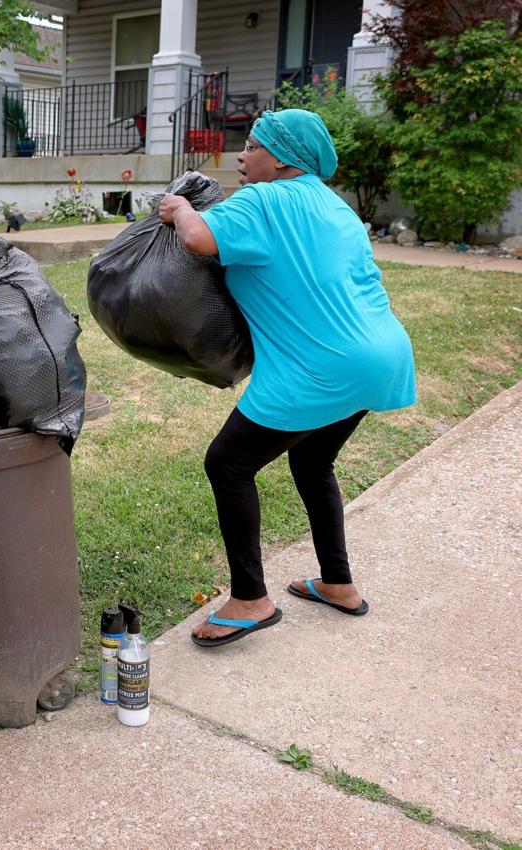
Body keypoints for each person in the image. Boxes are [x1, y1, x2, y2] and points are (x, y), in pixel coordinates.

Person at [157, 108, 416, 648]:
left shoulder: (264, 200)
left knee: (227, 464)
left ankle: (251, 598)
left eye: (251, 146)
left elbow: (198, 239)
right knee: (313, 459)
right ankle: (338, 583)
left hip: (322, 366)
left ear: (280, 158)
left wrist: (180, 206)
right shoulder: (335, 205)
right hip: (382, 354)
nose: (241, 156)